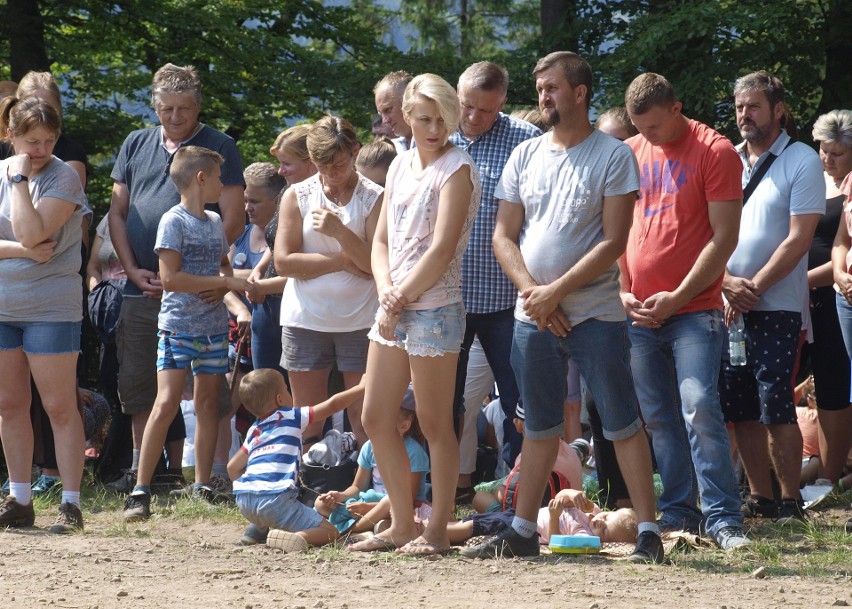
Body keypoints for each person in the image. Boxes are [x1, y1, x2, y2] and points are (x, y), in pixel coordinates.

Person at [474, 51, 663, 563]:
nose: (543, 96)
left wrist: (554, 293)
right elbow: (503, 236)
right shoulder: (525, 155)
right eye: (539, 88)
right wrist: (536, 296)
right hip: (532, 314)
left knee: (622, 420)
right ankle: (519, 530)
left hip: (596, 312)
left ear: (580, 92)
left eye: (552, 87)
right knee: (538, 426)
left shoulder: (613, 155)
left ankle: (648, 531)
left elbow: (613, 241)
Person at [348, 73, 481, 556]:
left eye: (442, 118)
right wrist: (386, 293)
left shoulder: (458, 168)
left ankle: (436, 531)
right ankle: (403, 524)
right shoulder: (400, 165)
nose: (434, 128)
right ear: (405, 116)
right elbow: (380, 240)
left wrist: (397, 296)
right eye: (424, 118)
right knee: (375, 415)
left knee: (433, 423)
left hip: (434, 310)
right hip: (395, 307)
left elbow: (443, 248)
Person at [619, 73, 750, 550]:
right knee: (656, 416)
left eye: (652, 126)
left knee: (697, 406)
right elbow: (616, 230)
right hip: (639, 312)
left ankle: (723, 517)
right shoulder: (631, 151)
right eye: (639, 127)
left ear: (676, 108)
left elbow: (724, 238)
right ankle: (679, 509)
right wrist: (621, 290)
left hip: (693, 310)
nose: (646, 136)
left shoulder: (714, 152)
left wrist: (676, 296)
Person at [107, 63, 245, 493]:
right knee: (140, 384)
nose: (173, 117)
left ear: (198, 105)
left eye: (183, 109)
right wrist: (132, 269)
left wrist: (209, 278)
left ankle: (210, 474)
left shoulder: (218, 147)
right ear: (155, 106)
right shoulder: (136, 142)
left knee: (208, 393)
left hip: (200, 297)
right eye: (165, 108)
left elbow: (234, 218)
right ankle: (141, 471)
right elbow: (117, 212)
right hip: (140, 284)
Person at [122, 146, 248, 522]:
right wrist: (221, 281)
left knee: (210, 406)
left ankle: (204, 483)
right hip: (177, 328)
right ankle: (141, 489)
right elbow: (170, 279)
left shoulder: (213, 220)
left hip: (212, 331)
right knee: (166, 403)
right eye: (219, 177)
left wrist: (231, 292)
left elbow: (224, 269)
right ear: (200, 178)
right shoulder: (172, 221)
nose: (223, 185)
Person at [720, 71, 825, 524]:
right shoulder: (725, 158)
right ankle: (760, 496)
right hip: (727, 305)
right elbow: (705, 231)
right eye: (740, 107)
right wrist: (724, 281)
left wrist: (753, 288)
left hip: (777, 304)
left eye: (754, 106)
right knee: (739, 403)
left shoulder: (800, 158)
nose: (745, 115)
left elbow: (798, 239)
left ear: (778, 110)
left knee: (775, 401)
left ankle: (789, 499)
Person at [449, 62, 542, 498]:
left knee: (519, 402)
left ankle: (524, 494)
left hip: (508, 299)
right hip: (449, 297)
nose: (472, 117)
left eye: (484, 110)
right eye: (466, 105)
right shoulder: (436, 133)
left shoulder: (527, 140)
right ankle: (444, 489)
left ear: (502, 103)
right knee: (446, 402)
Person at [0, 96, 88, 533]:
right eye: (32, 140)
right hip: (3, 309)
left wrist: (19, 179)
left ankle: (70, 504)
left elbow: (34, 229)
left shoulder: (64, 177)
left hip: (52, 308)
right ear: (10, 135)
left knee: (58, 406)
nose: (42, 149)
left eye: (49, 139)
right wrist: (21, 251)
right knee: (9, 405)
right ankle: (19, 499)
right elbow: (28, 241)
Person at [274, 116, 382, 445]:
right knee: (307, 419)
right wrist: (343, 260)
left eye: (337, 165)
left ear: (355, 152)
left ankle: (370, 489)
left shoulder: (375, 197)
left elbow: (375, 266)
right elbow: (283, 263)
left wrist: (339, 232)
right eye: (321, 166)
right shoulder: (297, 196)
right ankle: (305, 487)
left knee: (365, 418)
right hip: (306, 319)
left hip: (361, 320)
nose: (330, 175)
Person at [228, 369, 366, 551]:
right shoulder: (292, 416)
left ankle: (257, 529)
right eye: (286, 389)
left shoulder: (254, 431)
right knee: (331, 532)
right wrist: (361, 388)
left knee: (265, 506)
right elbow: (332, 405)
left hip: (245, 501)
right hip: (276, 501)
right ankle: (293, 538)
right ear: (280, 399)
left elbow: (232, 468)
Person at [246, 126, 317, 379]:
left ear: (311, 163)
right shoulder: (288, 192)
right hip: (266, 307)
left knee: (298, 400)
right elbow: (276, 244)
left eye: (286, 163)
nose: (280, 171)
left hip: (299, 308)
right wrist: (258, 269)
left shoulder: (321, 199)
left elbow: (310, 268)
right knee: (263, 391)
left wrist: (262, 286)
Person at [804, 109, 852, 488]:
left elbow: (843, 245)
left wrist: (807, 280)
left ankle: (829, 476)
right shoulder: (809, 179)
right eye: (823, 150)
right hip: (798, 298)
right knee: (808, 391)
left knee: (835, 384)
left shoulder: (849, 190)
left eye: (837, 153)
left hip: (833, 295)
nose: (827, 159)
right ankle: (814, 466)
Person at [314, 385, 429, 537]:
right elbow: (357, 487)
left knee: (388, 502)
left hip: (398, 507)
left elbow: (408, 500)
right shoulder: (369, 446)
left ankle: (349, 531)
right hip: (370, 502)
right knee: (319, 503)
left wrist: (368, 508)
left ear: (404, 426)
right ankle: (373, 527)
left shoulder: (414, 452)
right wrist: (340, 496)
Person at [448, 488, 638, 548]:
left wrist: (555, 518)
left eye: (604, 530)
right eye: (607, 516)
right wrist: (571, 494)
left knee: (472, 527)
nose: (600, 521)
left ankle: (435, 533)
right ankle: (429, 526)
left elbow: (555, 542)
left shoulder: (585, 535)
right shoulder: (592, 510)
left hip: (525, 529)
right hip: (522, 515)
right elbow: (561, 495)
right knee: (474, 520)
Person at [374, 71, 414, 153]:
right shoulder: (389, 152)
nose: (385, 121)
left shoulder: (444, 144)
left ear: (409, 102)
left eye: (388, 110)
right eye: (381, 114)